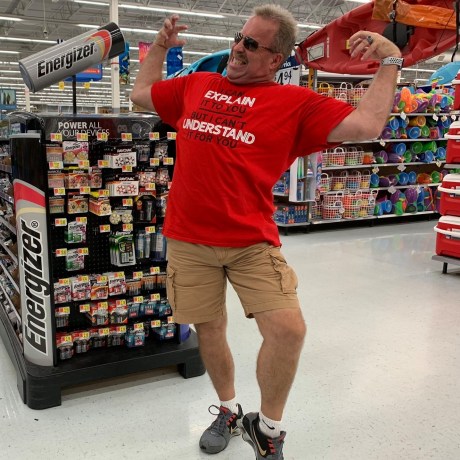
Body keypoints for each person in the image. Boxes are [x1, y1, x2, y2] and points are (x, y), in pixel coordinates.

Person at [131, 4, 402, 459]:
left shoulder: (295, 104)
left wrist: (391, 60)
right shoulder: (198, 85)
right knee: (210, 329)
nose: (238, 48)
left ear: (276, 59)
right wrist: (159, 46)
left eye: (251, 44)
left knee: (288, 330)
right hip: (188, 238)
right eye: (239, 37)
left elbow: (367, 124)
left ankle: (268, 429)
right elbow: (142, 94)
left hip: (251, 242)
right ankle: (228, 409)